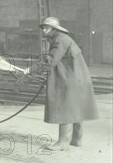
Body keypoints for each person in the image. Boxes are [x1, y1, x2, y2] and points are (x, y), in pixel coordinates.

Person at [28, 17, 99, 150]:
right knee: (76, 109)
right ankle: (76, 140)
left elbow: (51, 59)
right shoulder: (62, 38)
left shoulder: (59, 39)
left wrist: (31, 69)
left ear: (54, 29)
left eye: (46, 27)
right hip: (79, 78)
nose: (43, 29)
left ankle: (62, 143)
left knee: (65, 108)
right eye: (43, 27)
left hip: (71, 79)